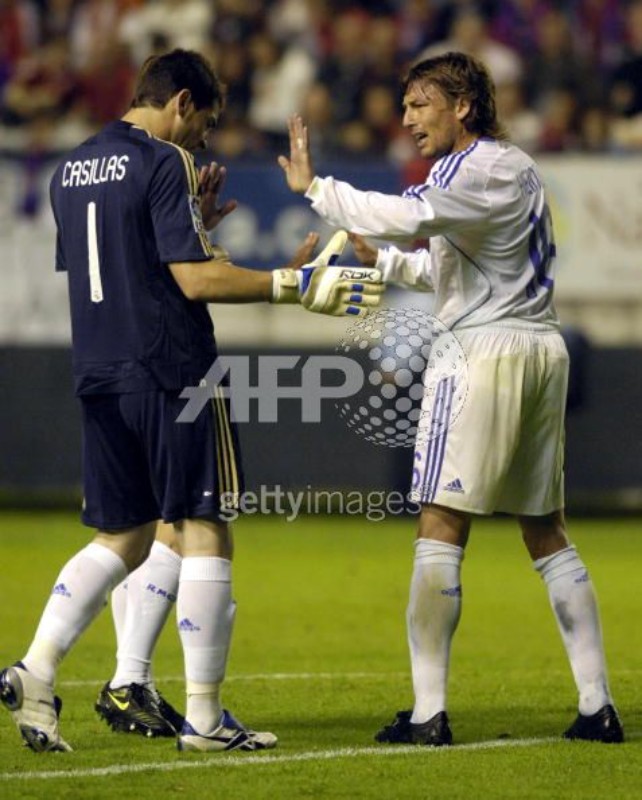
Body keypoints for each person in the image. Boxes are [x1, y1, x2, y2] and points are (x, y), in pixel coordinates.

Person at [0, 48, 383, 754]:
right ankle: (205, 720)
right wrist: (289, 286)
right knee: (205, 522)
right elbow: (193, 285)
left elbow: (124, 263)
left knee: (125, 536)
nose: (202, 139)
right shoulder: (161, 160)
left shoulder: (72, 168)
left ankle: (37, 668)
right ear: (180, 102)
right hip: (172, 371)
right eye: (203, 122)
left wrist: (195, 225)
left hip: (98, 367)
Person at [278, 51, 624, 746]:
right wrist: (389, 262)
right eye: (405, 107)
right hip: (538, 347)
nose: (407, 119)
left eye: (419, 104)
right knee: (546, 528)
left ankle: (429, 713)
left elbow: (404, 215)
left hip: (481, 354)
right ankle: (597, 706)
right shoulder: (516, 168)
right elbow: (455, 264)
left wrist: (317, 188)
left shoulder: (466, 169)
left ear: (462, 105)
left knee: (439, 523)